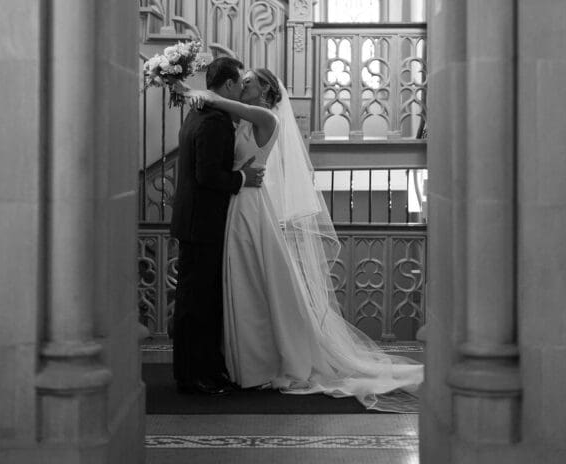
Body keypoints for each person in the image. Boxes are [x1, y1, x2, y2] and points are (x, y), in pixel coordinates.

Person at [184, 67, 424, 411]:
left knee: (253, 279)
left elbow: (224, 103)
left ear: (265, 89)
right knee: (244, 283)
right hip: (237, 203)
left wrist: (199, 92)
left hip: (252, 206)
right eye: (242, 81)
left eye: (249, 82)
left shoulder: (265, 117)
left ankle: (267, 360)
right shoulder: (237, 120)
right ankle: (245, 360)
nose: (243, 86)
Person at [170, 55, 264, 396]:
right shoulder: (213, 122)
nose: (242, 88)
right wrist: (242, 177)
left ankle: (203, 369)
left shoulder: (201, 112)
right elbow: (207, 175)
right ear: (227, 85)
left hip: (197, 221)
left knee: (200, 301)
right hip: (201, 223)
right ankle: (194, 375)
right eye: (240, 82)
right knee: (197, 305)